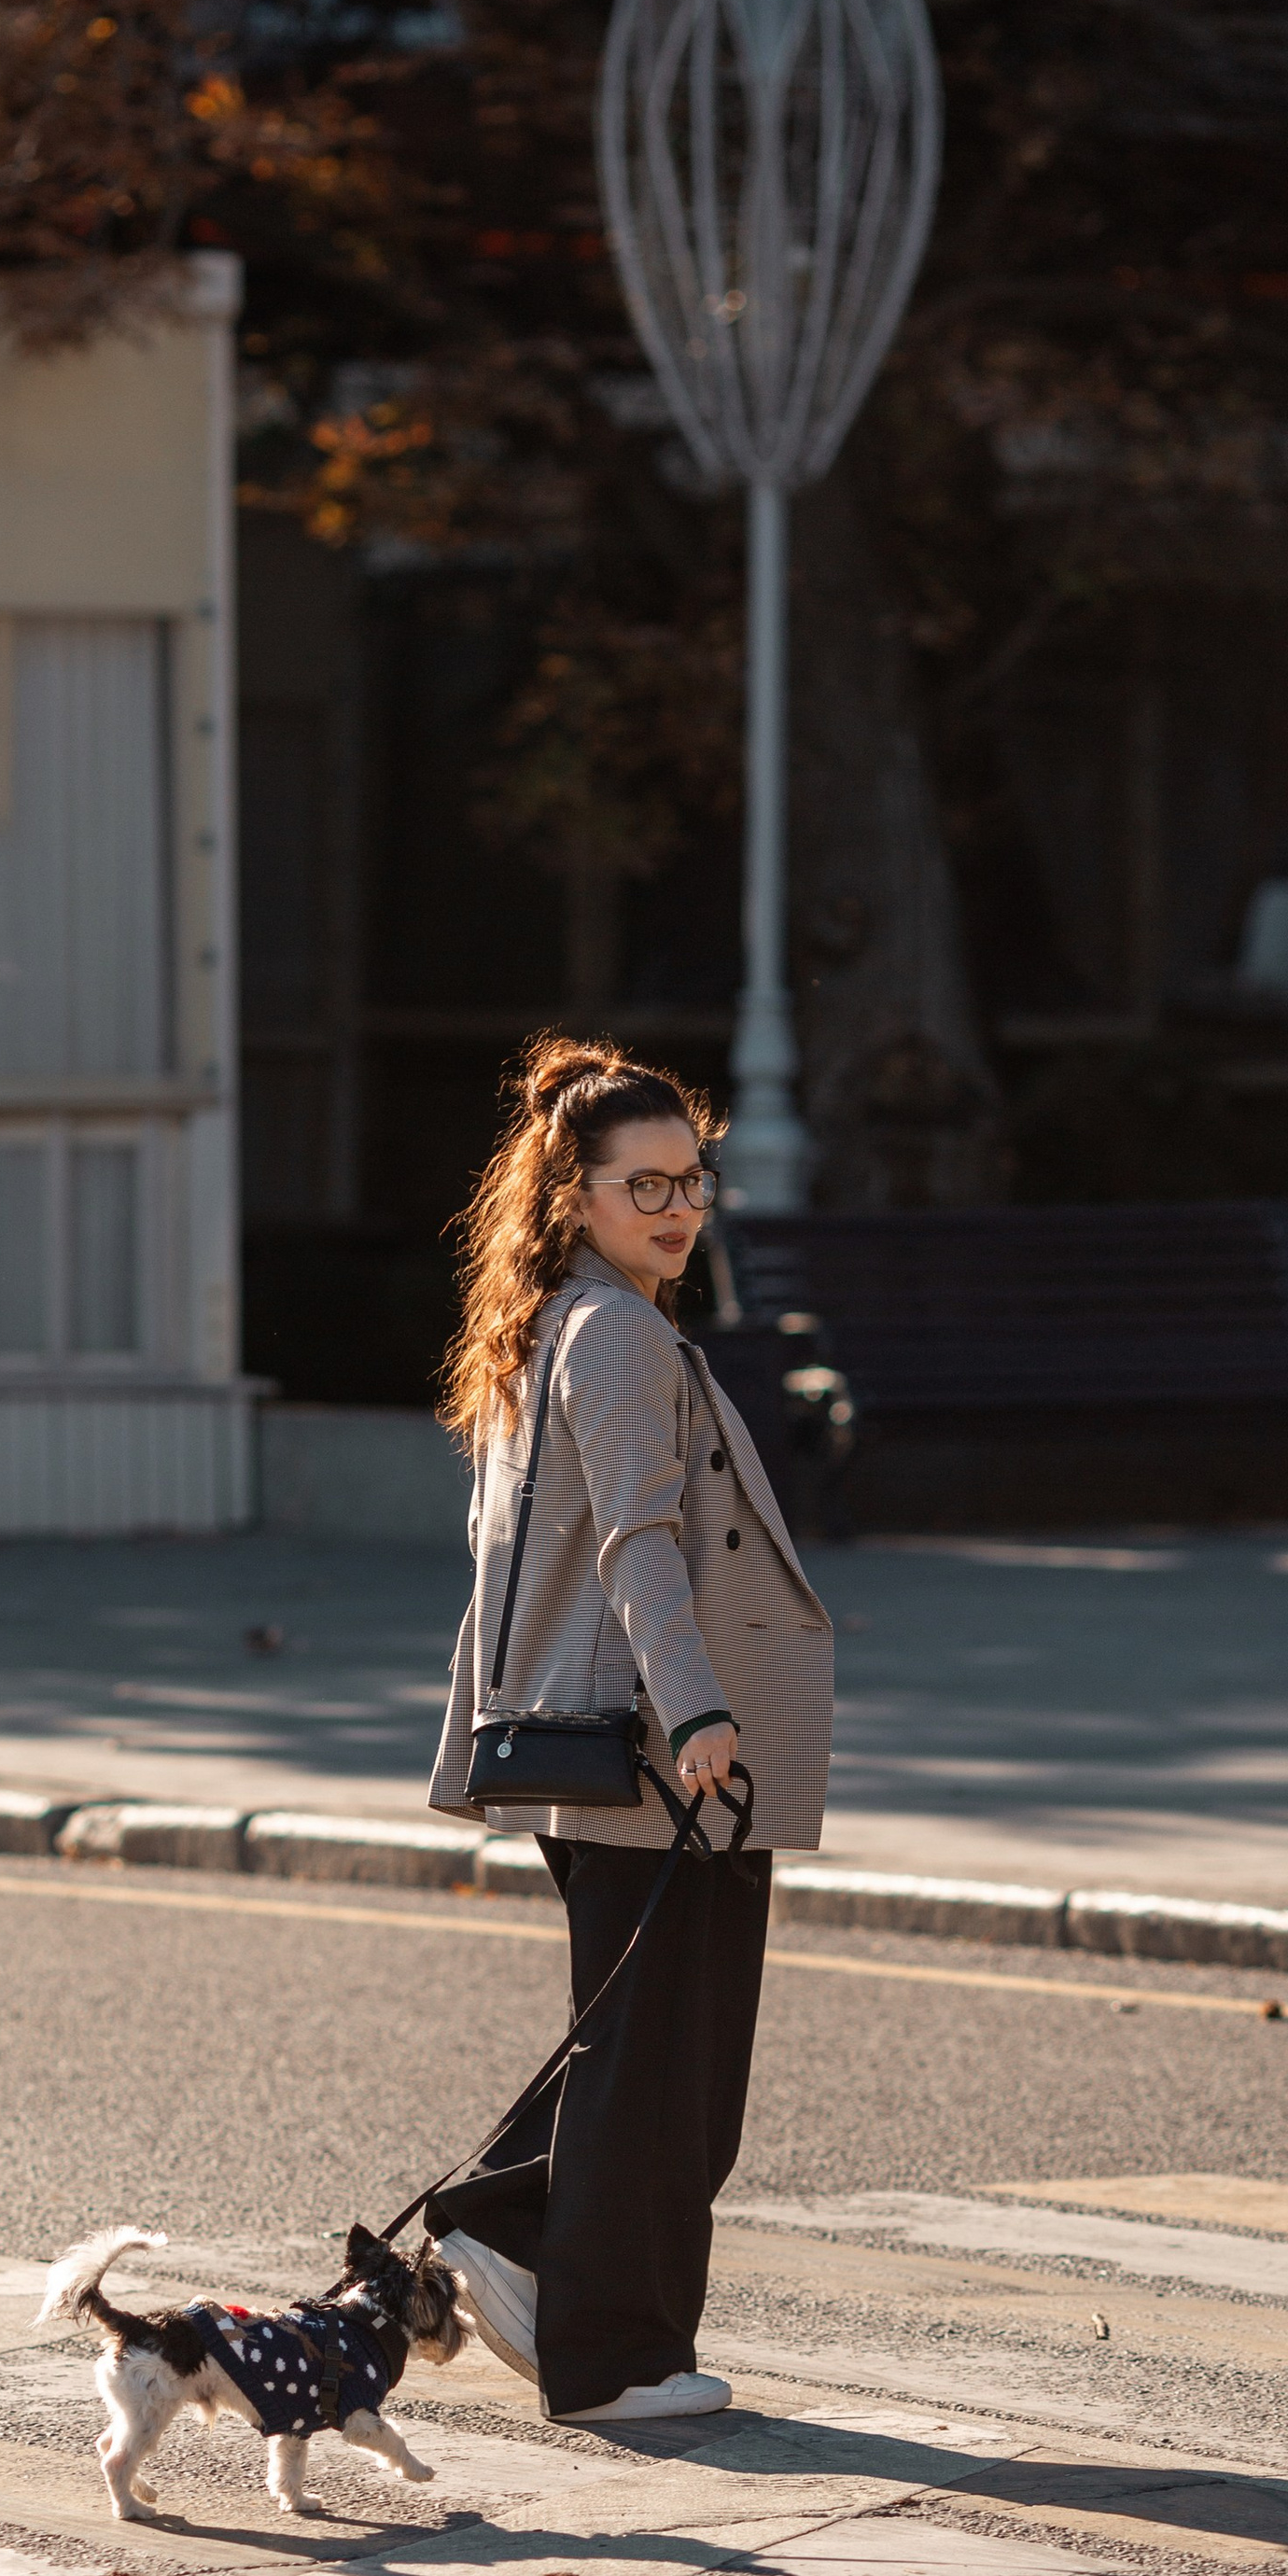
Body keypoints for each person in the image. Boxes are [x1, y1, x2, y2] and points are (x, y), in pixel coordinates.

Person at [425, 1034, 834, 2425]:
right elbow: (638, 1546)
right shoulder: (614, 1333)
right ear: (574, 1200)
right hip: (658, 1755)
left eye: (691, 1177)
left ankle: (507, 2227)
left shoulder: (575, 1323)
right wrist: (702, 1707)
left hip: (619, 1747)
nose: (675, 1206)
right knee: (667, 2069)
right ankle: (615, 2361)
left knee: (651, 2049)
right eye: (641, 1183)